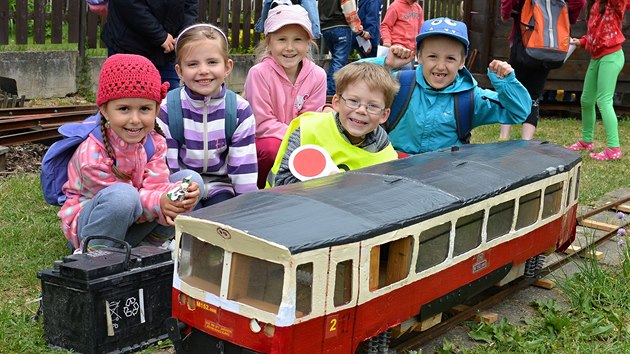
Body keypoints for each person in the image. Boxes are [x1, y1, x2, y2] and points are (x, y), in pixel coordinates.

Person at [58, 54, 200, 251]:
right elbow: (121, 203)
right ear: (105, 110)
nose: (135, 119)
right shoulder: (92, 154)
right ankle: (95, 254)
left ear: (157, 109)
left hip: (135, 220)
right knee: (124, 197)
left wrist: (173, 197)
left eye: (144, 109)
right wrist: (160, 202)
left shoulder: (155, 142)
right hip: (95, 227)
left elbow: (156, 185)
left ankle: (150, 247)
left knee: (190, 181)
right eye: (124, 109)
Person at [362, 17, 531, 155]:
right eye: (433, 56)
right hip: (392, 173)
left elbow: (519, 112)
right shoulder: (398, 83)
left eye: (450, 58)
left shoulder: (471, 97)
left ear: (462, 62)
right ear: (419, 57)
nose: (441, 66)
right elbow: (348, 80)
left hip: (443, 179)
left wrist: (506, 83)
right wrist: (385, 63)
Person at [158, 24, 258, 206]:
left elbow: (243, 167)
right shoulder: (168, 109)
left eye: (212, 62)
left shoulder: (239, 110)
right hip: (181, 185)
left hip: (221, 185)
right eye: (193, 64)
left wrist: (247, 207)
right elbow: (166, 164)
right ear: (179, 71)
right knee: (188, 225)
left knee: (220, 224)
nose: (203, 70)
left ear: (227, 67)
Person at [268, 61, 400, 187]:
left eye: (373, 106)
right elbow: (283, 181)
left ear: (384, 115)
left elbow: (386, 187)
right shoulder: (309, 129)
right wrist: (330, 185)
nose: (361, 110)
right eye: (353, 101)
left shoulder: (382, 145)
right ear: (336, 102)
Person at [245, 4, 327, 189]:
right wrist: (294, 140)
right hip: (266, 142)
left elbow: (311, 120)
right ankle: (258, 191)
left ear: (308, 43)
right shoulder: (259, 73)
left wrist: (299, 141)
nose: (289, 48)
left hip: (301, 140)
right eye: (281, 39)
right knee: (272, 149)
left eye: (298, 39)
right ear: (269, 42)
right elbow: (262, 124)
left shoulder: (318, 75)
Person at [498, 0, 586, 141]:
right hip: (548, 44)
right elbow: (579, 2)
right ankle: (526, 141)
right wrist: (568, 18)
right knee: (534, 93)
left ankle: (504, 136)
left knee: (511, 86)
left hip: (524, 37)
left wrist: (506, 14)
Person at [566, 0, 629, 161]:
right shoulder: (594, 5)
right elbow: (594, 34)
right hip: (596, 57)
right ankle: (587, 141)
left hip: (611, 56)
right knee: (586, 100)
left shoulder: (615, 3)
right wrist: (580, 42)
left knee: (604, 100)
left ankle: (614, 148)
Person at [101, 0, 198, 90]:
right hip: (129, 46)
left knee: (169, 102)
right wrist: (160, 35)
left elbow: (191, 5)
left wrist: (182, 34)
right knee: (124, 98)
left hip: (167, 52)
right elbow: (129, 5)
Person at [319, 0, 371, 95]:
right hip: (341, 26)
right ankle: (332, 92)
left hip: (325, 28)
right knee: (339, 62)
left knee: (335, 60)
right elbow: (349, 10)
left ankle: (327, 90)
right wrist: (361, 32)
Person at [255, 0, 321, 40]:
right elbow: (310, 8)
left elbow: (267, 4)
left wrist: (263, 25)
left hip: (276, 17)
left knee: (277, 43)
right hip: (296, 19)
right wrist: (315, 30)